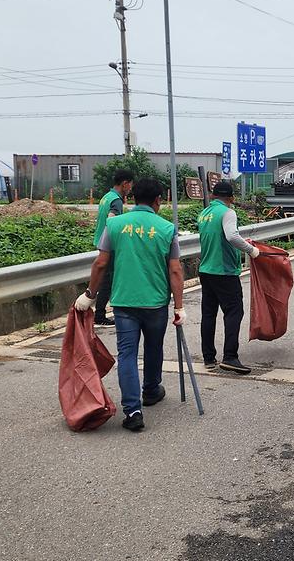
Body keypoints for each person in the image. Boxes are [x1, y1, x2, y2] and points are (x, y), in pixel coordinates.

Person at [75, 178, 184, 433]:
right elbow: (176, 270)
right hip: (156, 302)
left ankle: (133, 411)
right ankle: (151, 390)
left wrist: (90, 295)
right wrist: (179, 307)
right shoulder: (167, 228)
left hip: (124, 302)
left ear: (132, 198)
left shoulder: (114, 224)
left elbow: (100, 264)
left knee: (126, 354)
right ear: (158, 200)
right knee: (154, 347)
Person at [197, 181, 260, 375]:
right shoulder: (228, 212)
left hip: (206, 270)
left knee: (209, 314)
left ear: (214, 195)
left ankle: (208, 357)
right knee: (234, 312)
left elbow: (222, 237)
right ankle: (230, 357)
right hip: (223, 271)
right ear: (231, 198)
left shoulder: (204, 214)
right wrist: (251, 250)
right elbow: (232, 236)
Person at [92, 169, 134, 325]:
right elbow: (111, 221)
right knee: (108, 281)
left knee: (106, 278)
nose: (130, 189)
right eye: (129, 186)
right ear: (124, 184)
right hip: (110, 245)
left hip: (100, 241)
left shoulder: (106, 197)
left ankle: (101, 312)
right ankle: (100, 315)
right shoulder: (116, 200)